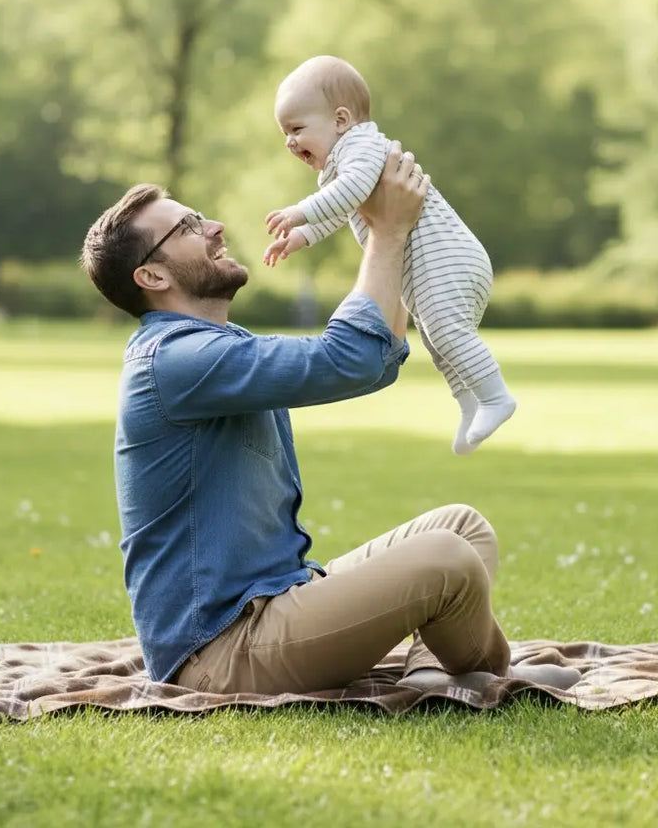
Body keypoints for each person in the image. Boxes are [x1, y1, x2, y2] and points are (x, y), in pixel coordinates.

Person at [81, 146, 577, 696]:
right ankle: (494, 672)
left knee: (460, 527)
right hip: (220, 650)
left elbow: (372, 362)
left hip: (280, 597)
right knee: (448, 560)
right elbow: (347, 359)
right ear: (150, 274)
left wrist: (400, 237)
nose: (214, 227)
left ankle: (435, 668)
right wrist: (387, 233)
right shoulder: (177, 363)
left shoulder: (214, 346)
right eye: (188, 227)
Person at [264, 55, 515, 454]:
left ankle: (496, 397)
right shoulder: (342, 164)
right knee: (435, 339)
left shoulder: (361, 147)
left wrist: (299, 211)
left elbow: (350, 191)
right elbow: (345, 206)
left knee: (449, 332)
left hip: (449, 259)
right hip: (430, 269)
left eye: (296, 129)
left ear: (341, 120)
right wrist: (302, 236)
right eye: (284, 133)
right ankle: (468, 402)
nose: (290, 142)